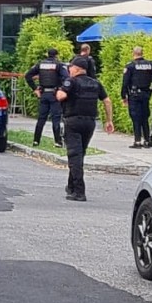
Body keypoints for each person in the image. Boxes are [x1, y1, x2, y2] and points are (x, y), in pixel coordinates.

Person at [56, 57, 114, 201]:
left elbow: (61, 96)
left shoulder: (71, 81)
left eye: (70, 67)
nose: (69, 69)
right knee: (79, 154)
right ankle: (71, 187)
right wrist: (109, 120)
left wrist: (58, 91)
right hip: (89, 123)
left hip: (73, 121)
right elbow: (107, 100)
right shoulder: (95, 83)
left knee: (74, 155)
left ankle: (79, 192)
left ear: (76, 68)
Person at [24, 48, 68, 147]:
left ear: (47, 54)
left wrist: (35, 89)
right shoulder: (59, 65)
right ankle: (57, 141)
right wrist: (62, 89)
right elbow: (66, 77)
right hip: (54, 94)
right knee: (56, 118)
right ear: (56, 55)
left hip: (43, 94)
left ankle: (36, 140)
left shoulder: (40, 64)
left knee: (41, 118)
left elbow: (28, 75)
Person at [121, 46, 152, 148]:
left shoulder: (130, 66)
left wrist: (123, 96)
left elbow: (125, 82)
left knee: (135, 117)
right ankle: (147, 140)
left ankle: (137, 141)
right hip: (146, 94)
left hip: (134, 94)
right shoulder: (150, 65)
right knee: (145, 116)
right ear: (142, 53)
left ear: (133, 53)